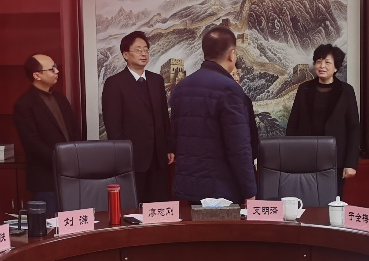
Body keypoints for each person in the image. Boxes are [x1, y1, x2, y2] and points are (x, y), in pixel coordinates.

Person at [170, 26, 257, 204]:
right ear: (232, 54)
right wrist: (250, 191)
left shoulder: (181, 87)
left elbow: (176, 138)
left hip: (187, 187)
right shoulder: (230, 88)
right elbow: (239, 147)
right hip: (221, 190)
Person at [101, 31, 173, 203]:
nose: (143, 53)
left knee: (158, 204)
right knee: (133, 206)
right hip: (133, 158)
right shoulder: (115, 83)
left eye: (146, 49)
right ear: (125, 55)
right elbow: (113, 125)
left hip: (158, 157)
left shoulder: (156, 80)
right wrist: (122, 155)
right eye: (138, 49)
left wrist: (169, 147)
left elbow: (164, 117)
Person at [286, 43, 360, 194]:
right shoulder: (304, 89)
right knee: (306, 198)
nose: (322, 66)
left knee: (332, 200)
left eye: (327, 62)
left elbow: (354, 128)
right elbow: (293, 123)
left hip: (336, 159)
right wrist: (291, 156)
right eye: (318, 61)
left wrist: (351, 163)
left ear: (336, 67)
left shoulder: (346, 91)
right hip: (306, 157)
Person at [13, 53, 79, 213]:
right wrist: (60, 159)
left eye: (56, 67)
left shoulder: (60, 98)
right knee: (50, 223)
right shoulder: (24, 104)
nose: (57, 71)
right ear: (37, 75)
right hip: (45, 177)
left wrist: (75, 156)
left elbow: (74, 131)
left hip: (71, 174)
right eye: (51, 69)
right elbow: (32, 143)